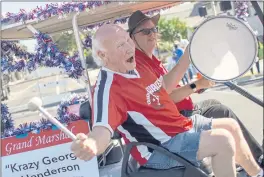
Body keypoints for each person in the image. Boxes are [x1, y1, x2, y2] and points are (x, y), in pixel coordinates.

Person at [71, 24, 263, 177]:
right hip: (160, 148)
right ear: (102, 55)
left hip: (180, 127)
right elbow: (102, 129)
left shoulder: (136, 64)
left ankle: (257, 173)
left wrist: (195, 82)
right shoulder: (108, 88)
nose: (129, 47)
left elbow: (162, 89)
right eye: (120, 45)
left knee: (230, 125)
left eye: (127, 40)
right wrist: (92, 144)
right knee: (223, 141)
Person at [127, 10, 263, 165]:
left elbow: (169, 91)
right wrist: (195, 84)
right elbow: (165, 98)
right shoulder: (138, 64)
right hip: (176, 119)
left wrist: (197, 85)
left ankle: (246, 160)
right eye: (145, 31)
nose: (152, 34)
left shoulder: (151, 60)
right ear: (132, 37)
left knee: (214, 103)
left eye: (154, 30)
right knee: (222, 112)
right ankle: (257, 161)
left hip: (182, 112)